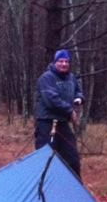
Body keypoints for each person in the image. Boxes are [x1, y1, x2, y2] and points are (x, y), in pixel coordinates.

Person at [34, 49, 84, 179]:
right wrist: (69, 110)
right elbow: (51, 100)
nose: (64, 64)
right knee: (45, 159)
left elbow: (78, 90)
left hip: (63, 124)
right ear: (55, 62)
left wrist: (79, 98)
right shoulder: (46, 78)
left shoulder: (71, 77)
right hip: (47, 124)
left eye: (66, 61)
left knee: (72, 158)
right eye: (61, 61)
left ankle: (76, 190)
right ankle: (41, 190)